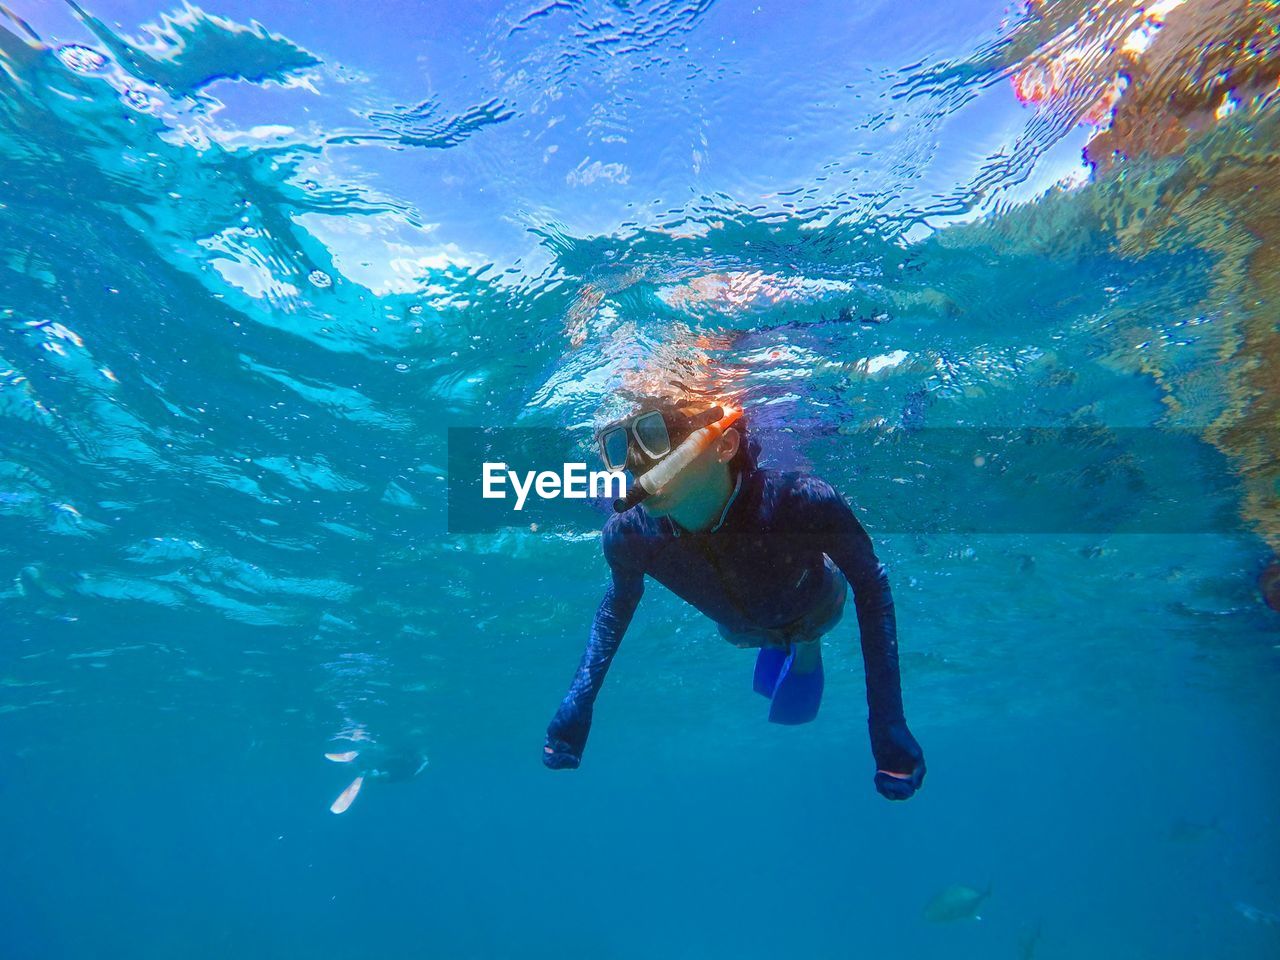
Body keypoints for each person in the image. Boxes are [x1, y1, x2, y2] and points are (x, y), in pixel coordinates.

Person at [542, 397, 926, 800]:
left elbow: (871, 585)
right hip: (739, 630)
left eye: (655, 436)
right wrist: (579, 701)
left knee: (808, 624)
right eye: (620, 444)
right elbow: (616, 607)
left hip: (816, 605)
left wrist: (888, 720)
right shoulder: (628, 536)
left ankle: (806, 645)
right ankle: (787, 643)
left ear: (724, 446)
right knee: (739, 634)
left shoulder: (802, 501)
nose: (636, 463)